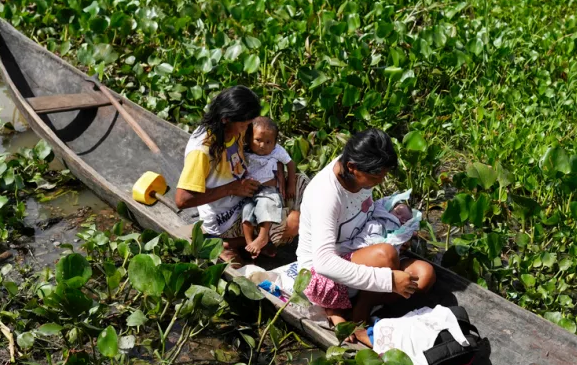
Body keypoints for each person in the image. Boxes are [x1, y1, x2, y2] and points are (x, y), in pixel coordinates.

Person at [295, 128, 437, 344]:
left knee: (424, 275)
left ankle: (357, 307)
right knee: (385, 256)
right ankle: (356, 315)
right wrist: (388, 279)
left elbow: (366, 215)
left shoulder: (357, 170)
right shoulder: (326, 195)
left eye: (383, 175)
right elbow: (323, 263)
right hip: (322, 275)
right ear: (352, 167)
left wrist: (397, 234)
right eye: (374, 177)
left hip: (360, 256)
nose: (379, 181)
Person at [174, 86, 307, 265]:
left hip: (245, 192)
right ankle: (227, 243)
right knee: (292, 224)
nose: (247, 129)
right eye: (244, 125)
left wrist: (279, 174)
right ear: (226, 119)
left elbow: (266, 149)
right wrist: (232, 189)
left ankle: (255, 239)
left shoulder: (235, 128)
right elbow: (182, 200)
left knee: (303, 183)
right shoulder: (203, 150)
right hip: (226, 216)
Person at [241, 116, 297, 259]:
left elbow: (291, 164)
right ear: (249, 137)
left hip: (268, 191)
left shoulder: (276, 151)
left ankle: (263, 237)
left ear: (274, 142)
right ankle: (250, 244)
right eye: (258, 140)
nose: (262, 145)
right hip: (249, 192)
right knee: (247, 213)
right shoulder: (244, 149)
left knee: (266, 206)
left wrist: (290, 184)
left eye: (268, 142)